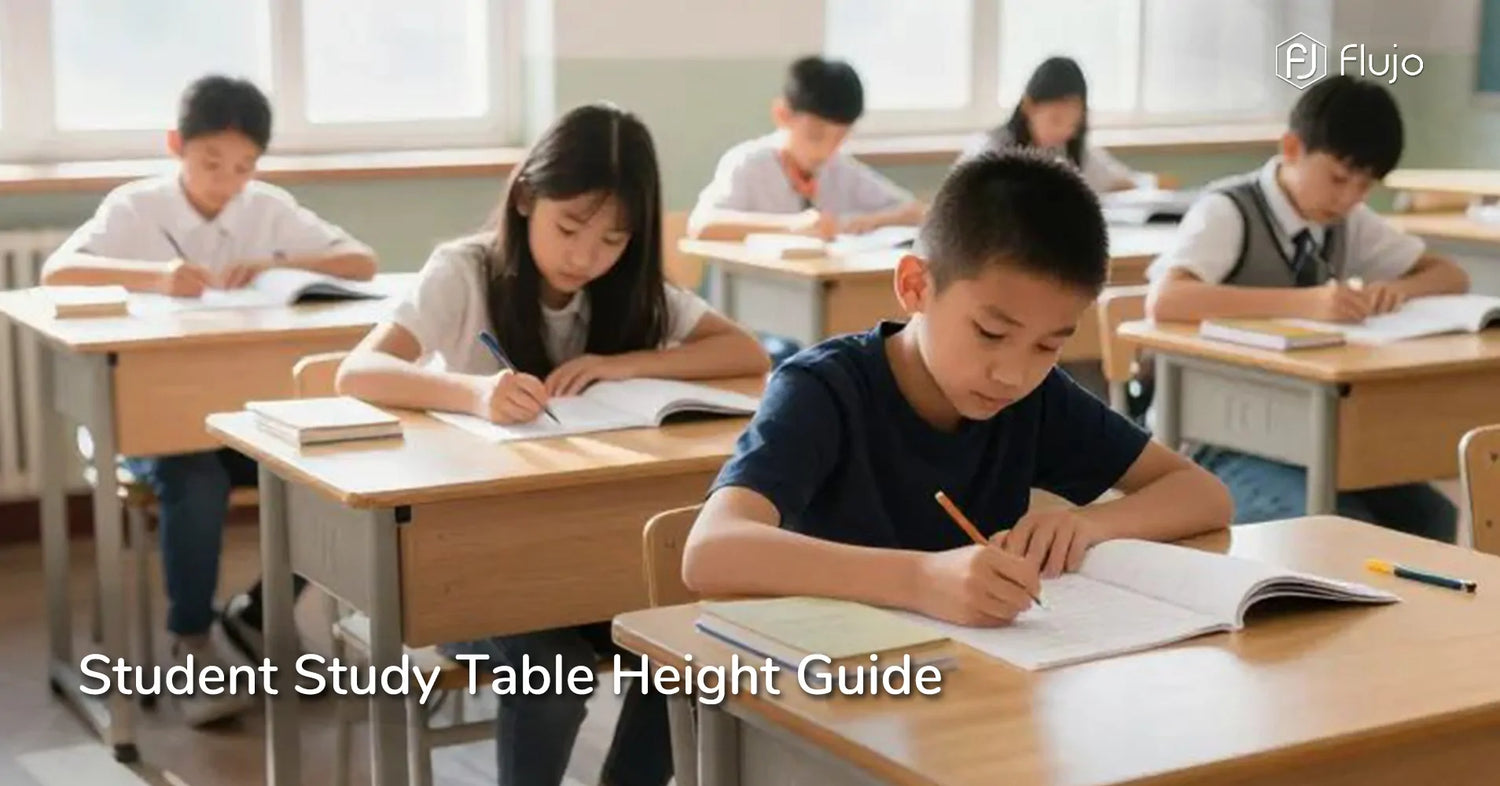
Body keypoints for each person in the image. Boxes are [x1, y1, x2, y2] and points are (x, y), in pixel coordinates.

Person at [335, 102, 770, 786]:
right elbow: (357, 370)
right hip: (473, 559)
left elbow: (743, 352)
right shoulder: (465, 272)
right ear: (525, 198)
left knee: (681, 648)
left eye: (614, 241)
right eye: (569, 228)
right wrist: (475, 394)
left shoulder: (628, 291)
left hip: (596, 555)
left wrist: (623, 364)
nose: (585, 256)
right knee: (554, 673)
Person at [682, 150, 1232, 623]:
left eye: (1048, 346)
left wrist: (1086, 524)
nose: (1012, 374)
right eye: (991, 332)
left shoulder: (1033, 401)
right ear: (916, 285)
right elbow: (710, 551)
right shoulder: (823, 390)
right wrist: (920, 579)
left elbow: (1203, 495)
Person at [41, 74, 377, 727]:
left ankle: (254, 616)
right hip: (147, 424)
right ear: (176, 146)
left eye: (244, 167)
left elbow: (361, 262)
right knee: (193, 481)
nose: (227, 181)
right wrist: (156, 278)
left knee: (321, 484)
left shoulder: (266, 207)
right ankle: (190, 642)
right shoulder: (136, 208)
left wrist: (280, 266)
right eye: (211, 163)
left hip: (242, 418)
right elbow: (59, 272)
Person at [1146, 76, 1469, 540]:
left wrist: (1395, 290)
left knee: (1431, 516)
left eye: (1365, 186)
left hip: (1310, 434)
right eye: (1339, 178)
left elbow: (1449, 275)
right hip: (1216, 440)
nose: (1349, 198)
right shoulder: (1228, 211)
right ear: (1292, 148)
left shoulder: (1346, 221)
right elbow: (1168, 300)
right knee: (1347, 531)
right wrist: (1308, 304)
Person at [959, 56, 1151, 194]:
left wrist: (1149, 183)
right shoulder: (990, 149)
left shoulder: (1071, 152)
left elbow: (1118, 180)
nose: (1064, 131)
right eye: (1056, 120)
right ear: (1029, 106)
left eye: (1073, 124)